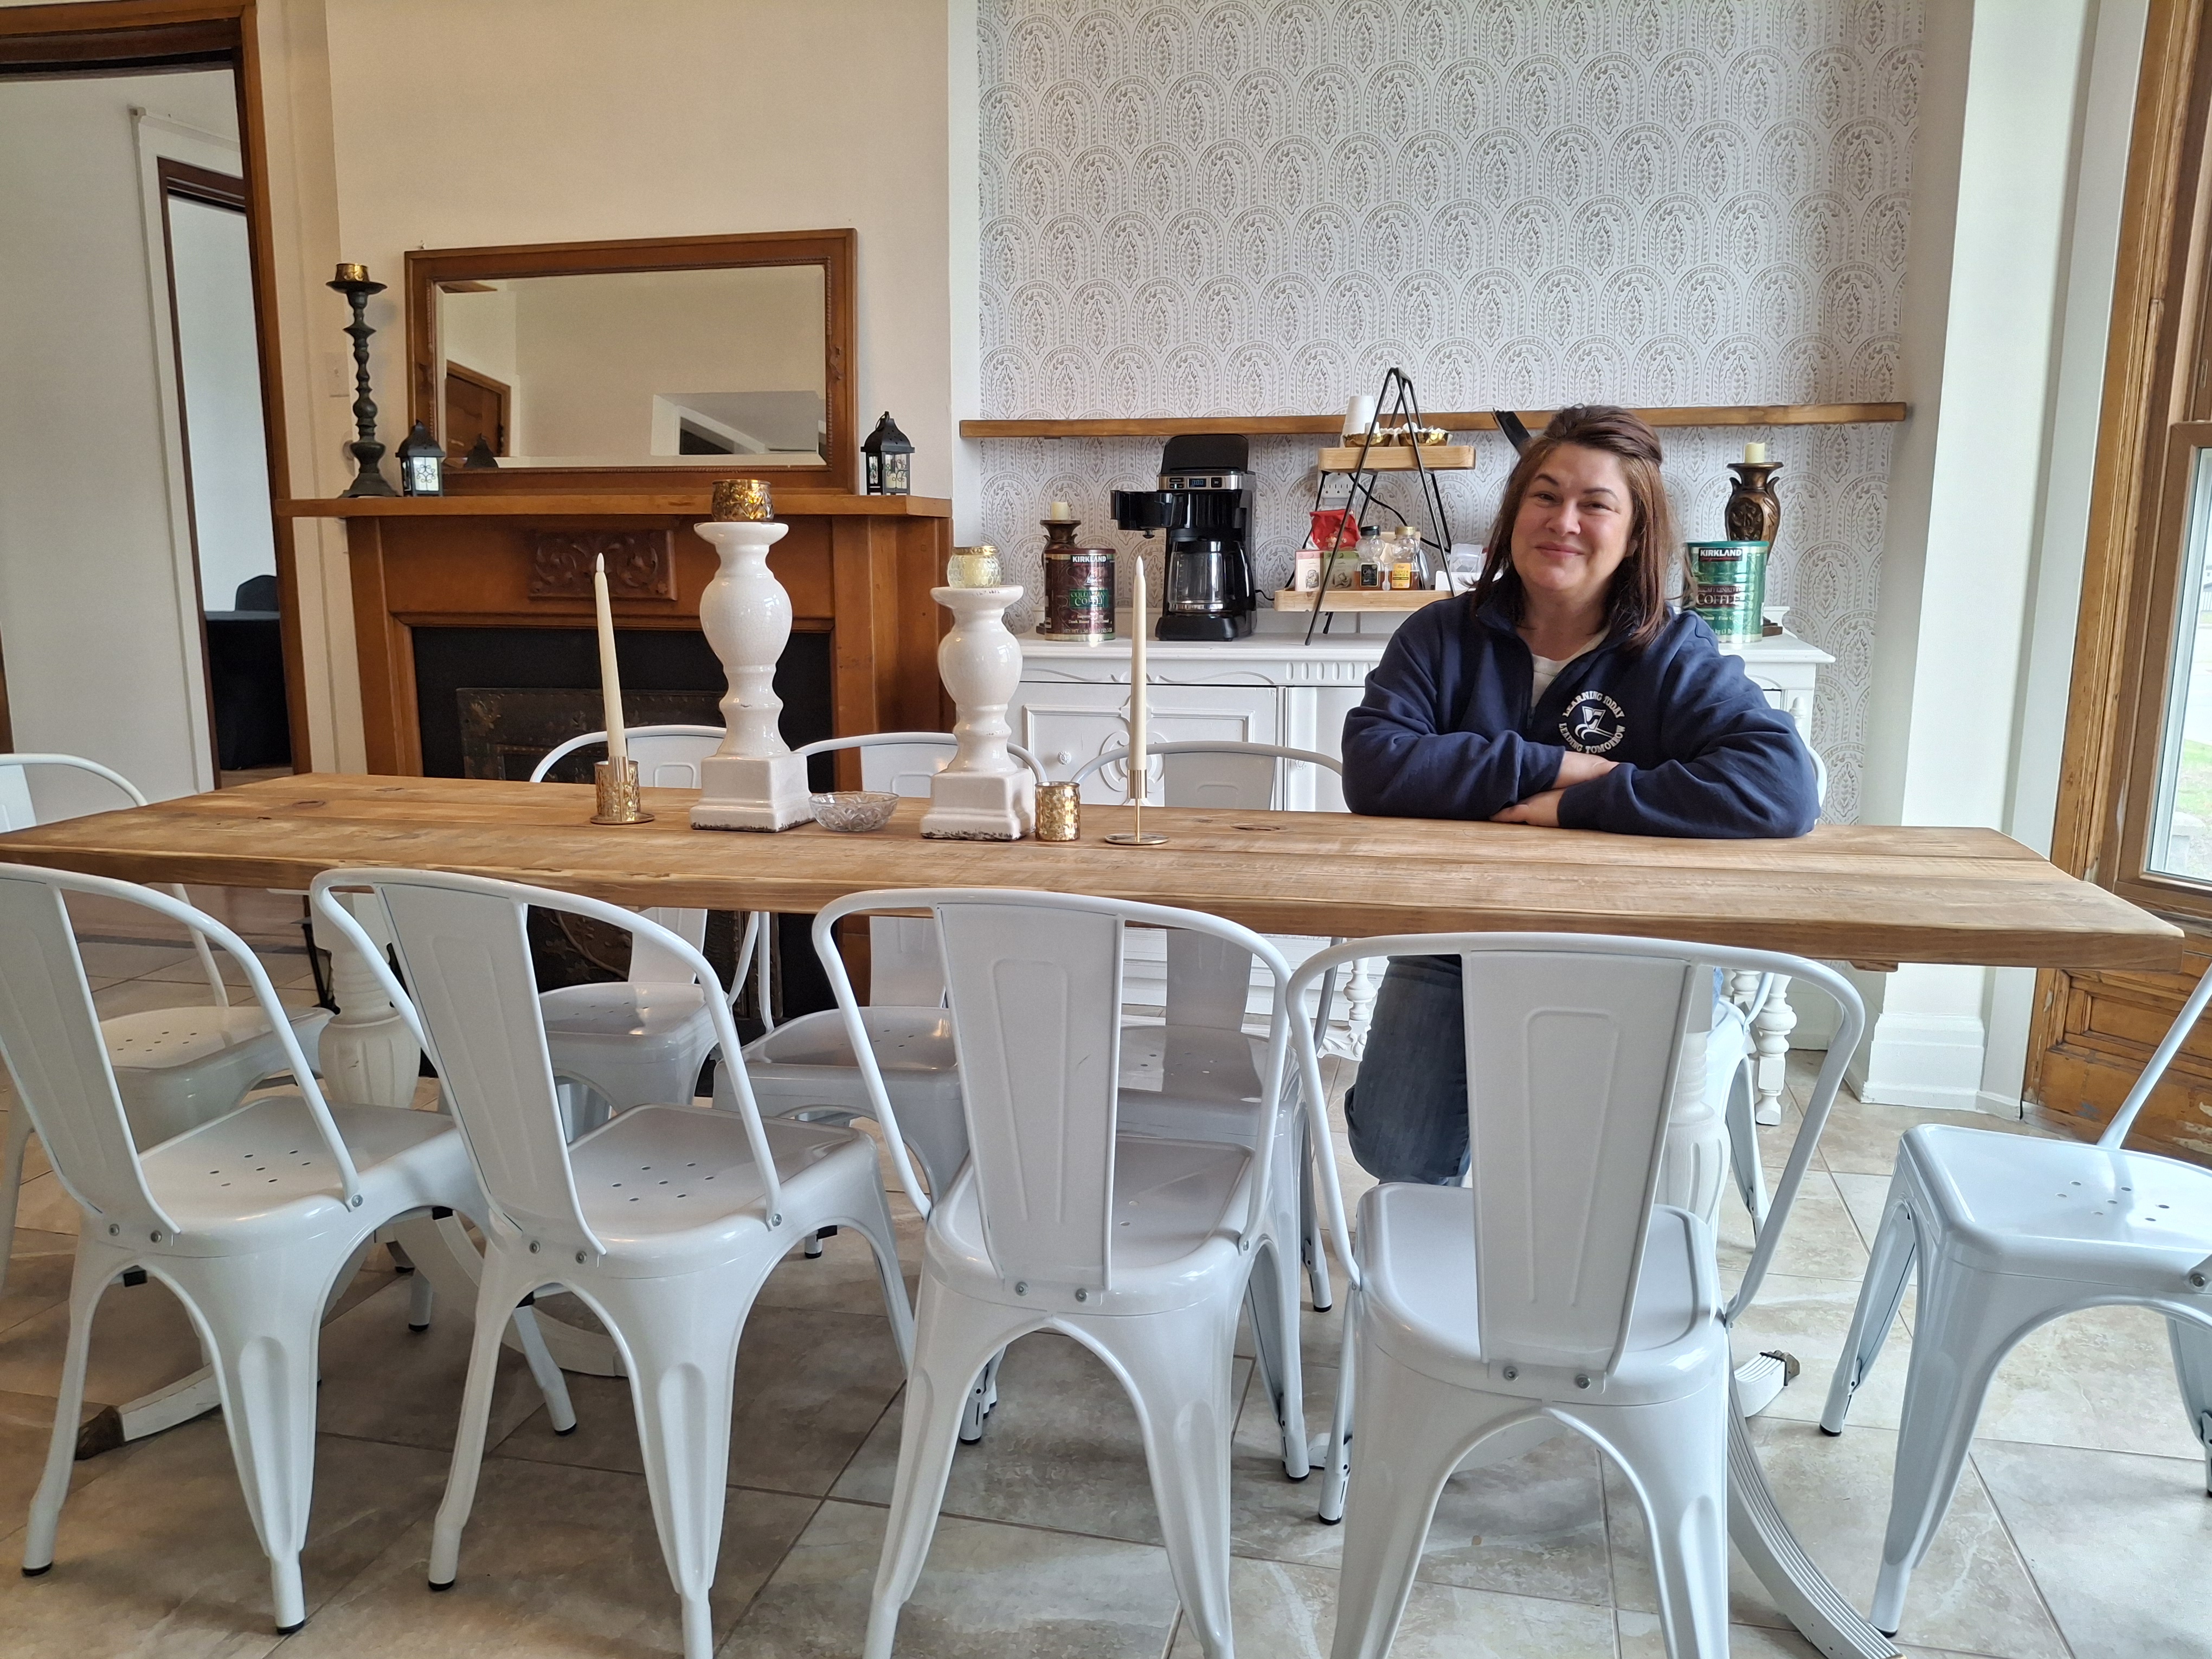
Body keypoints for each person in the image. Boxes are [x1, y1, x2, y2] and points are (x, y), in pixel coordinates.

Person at [1338, 403, 1818, 1184]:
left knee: (1586, 1171)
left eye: (1596, 505)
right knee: (1397, 1150)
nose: (1563, 522)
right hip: (1456, 939)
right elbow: (1375, 766)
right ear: (1515, 510)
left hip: (1629, 948)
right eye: (1545, 496)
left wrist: (1580, 805)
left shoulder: (1673, 652)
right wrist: (1560, 767)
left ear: (1635, 534)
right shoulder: (1440, 634)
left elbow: (1781, 786)